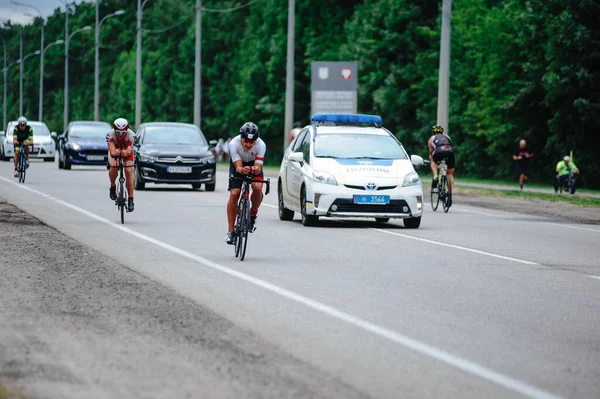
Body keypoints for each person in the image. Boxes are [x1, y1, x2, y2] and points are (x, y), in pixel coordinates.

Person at [225, 122, 267, 245]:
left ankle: (253, 214)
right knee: (234, 194)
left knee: (258, 187)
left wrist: (256, 169)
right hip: (238, 164)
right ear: (241, 138)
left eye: (252, 142)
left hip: (253, 163)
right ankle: (231, 231)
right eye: (246, 141)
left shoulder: (261, 145)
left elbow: (258, 166)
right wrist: (241, 169)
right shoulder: (233, 143)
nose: (248, 144)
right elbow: (238, 167)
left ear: (256, 140)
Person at [106, 118, 136, 212]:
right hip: (115, 150)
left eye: (123, 133)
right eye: (118, 132)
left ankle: (131, 199)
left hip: (126, 150)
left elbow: (129, 150)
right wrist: (116, 152)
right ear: (115, 130)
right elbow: (112, 150)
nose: (120, 135)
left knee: (128, 171)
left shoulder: (132, 135)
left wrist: (126, 152)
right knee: (114, 165)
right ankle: (113, 185)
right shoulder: (110, 135)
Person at [427, 125, 456, 206]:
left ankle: (436, 176)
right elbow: (450, 146)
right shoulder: (447, 137)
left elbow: (431, 152)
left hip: (439, 151)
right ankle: (449, 195)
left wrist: (431, 157)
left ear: (433, 132)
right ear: (442, 132)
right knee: (450, 174)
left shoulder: (431, 138)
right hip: (450, 152)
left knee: (433, 160)